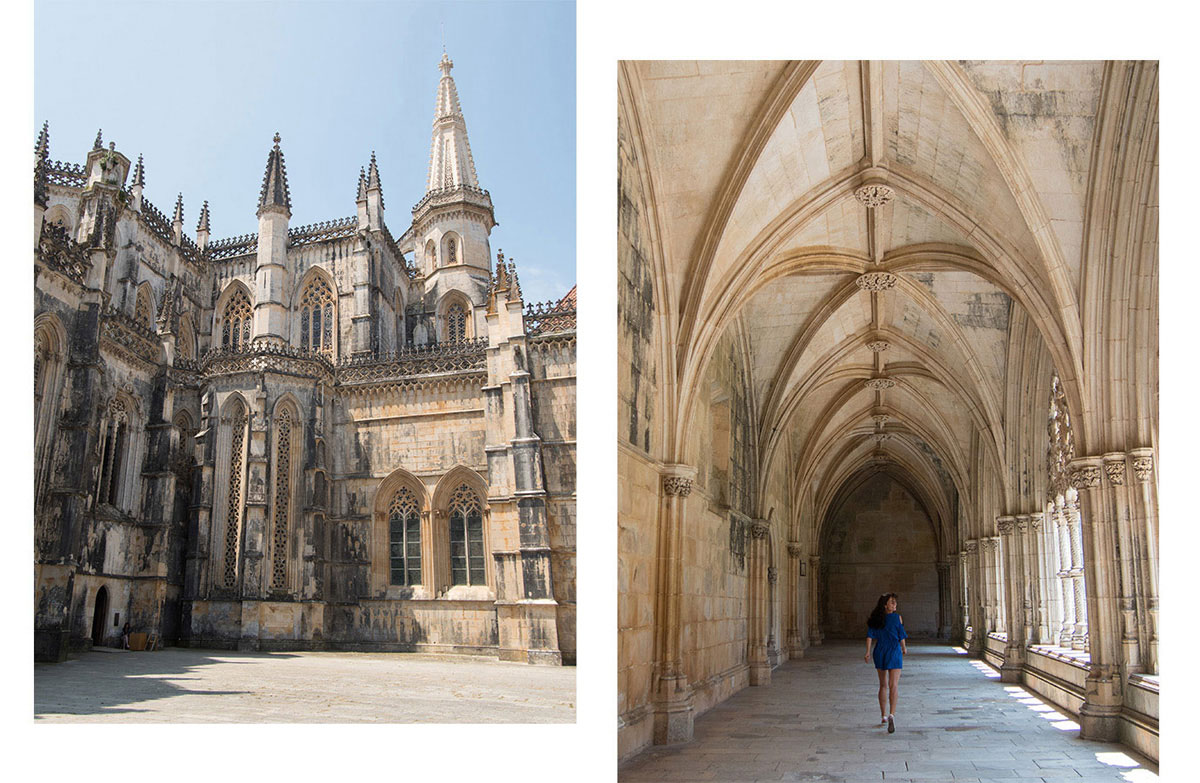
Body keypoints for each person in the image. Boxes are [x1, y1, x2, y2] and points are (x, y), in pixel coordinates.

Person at [864, 592, 907, 733]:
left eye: (895, 601)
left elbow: (870, 636)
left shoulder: (876, 619)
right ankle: (891, 714)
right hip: (894, 651)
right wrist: (903, 647)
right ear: (885, 605)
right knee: (893, 685)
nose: (895, 604)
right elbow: (901, 634)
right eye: (892, 602)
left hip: (880, 651)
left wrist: (868, 652)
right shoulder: (897, 618)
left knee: (883, 685)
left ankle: (883, 715)